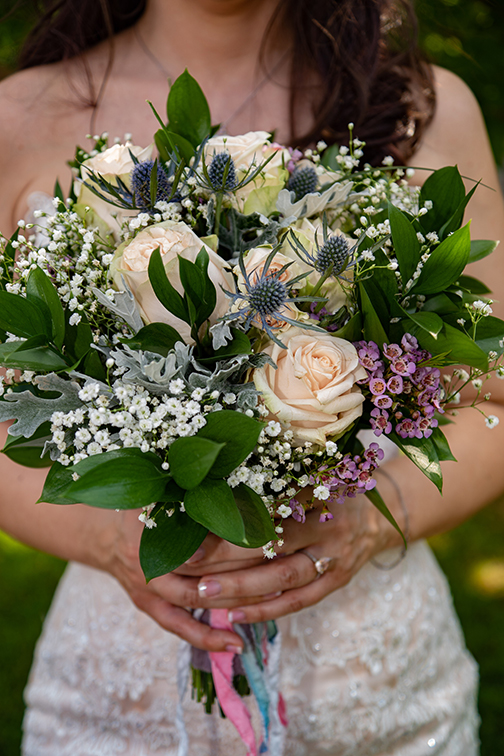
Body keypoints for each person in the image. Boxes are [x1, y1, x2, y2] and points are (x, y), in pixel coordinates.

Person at [1, 0, 503, 753]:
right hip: (114, 700)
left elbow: (493, 396)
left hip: (379, 688)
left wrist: (369, 520)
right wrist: (112, 540)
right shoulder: (18, 114)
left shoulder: (422, 105)